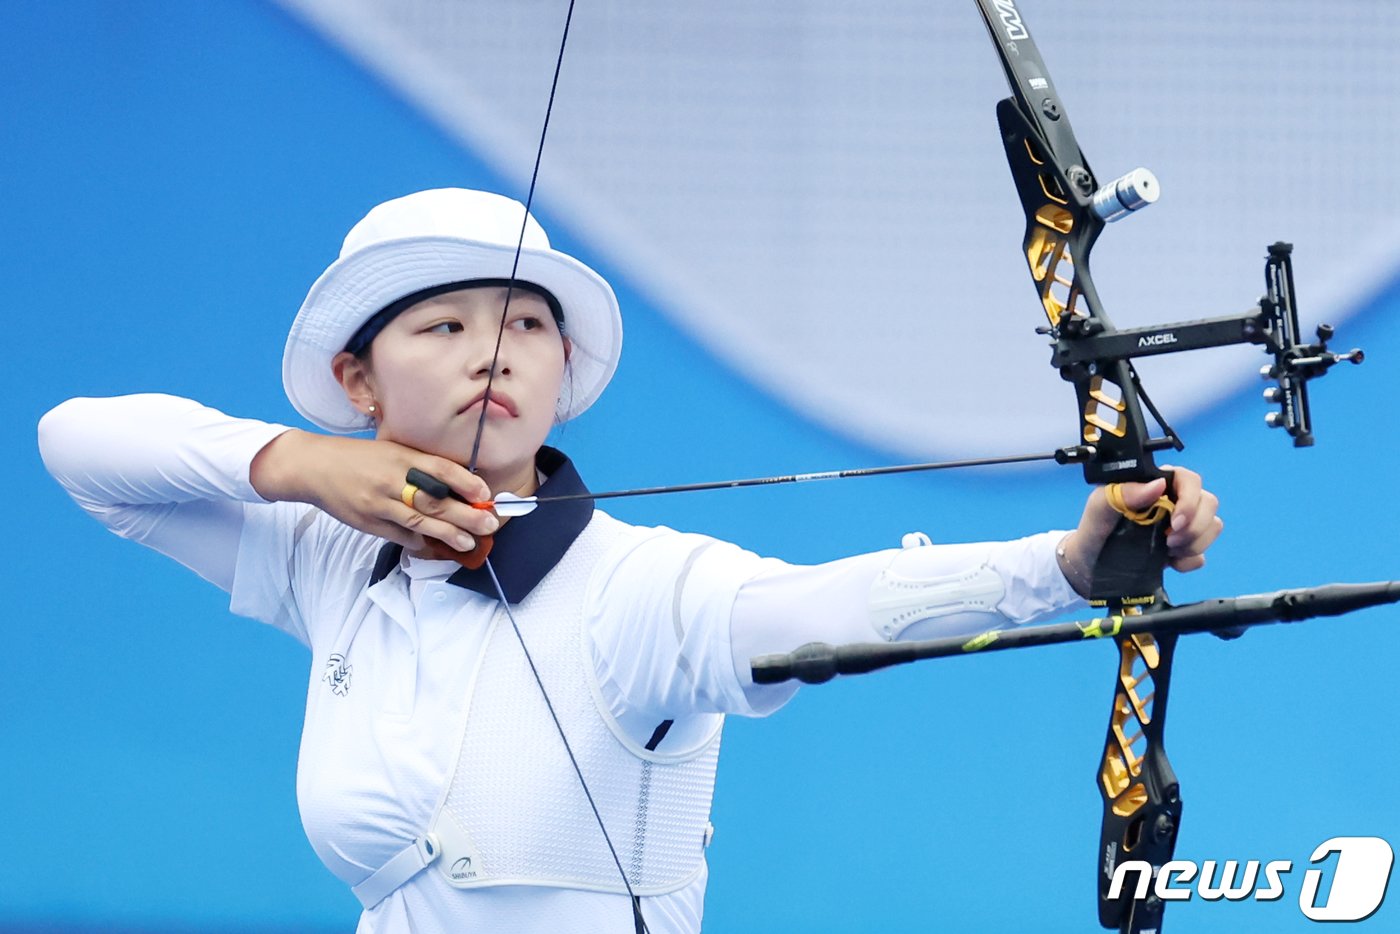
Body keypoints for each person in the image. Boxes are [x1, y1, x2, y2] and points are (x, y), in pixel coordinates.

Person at [37, 187, 1222, 933]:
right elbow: (79, 448)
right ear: (359, 380)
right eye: (441, 326)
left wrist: (1060, 566)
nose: (489, 355)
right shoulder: (326, 556)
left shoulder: (636, 586)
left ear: (560, 375)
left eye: (525, 324)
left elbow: (824, 606)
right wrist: (301, 464)